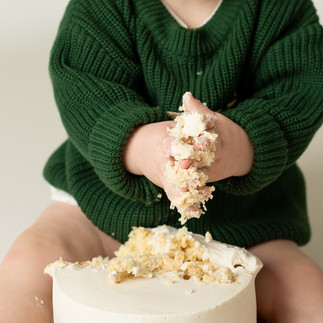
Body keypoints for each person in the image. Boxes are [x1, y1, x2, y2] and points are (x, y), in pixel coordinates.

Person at [1, 0, 323, 322]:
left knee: (305, 293)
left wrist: (234, 146)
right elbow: (86, 95)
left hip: (246, 223)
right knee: (25, 265)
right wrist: (142, 146)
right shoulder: (102, 6)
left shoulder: (280, 8)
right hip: (100, 208)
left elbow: (296, 95)